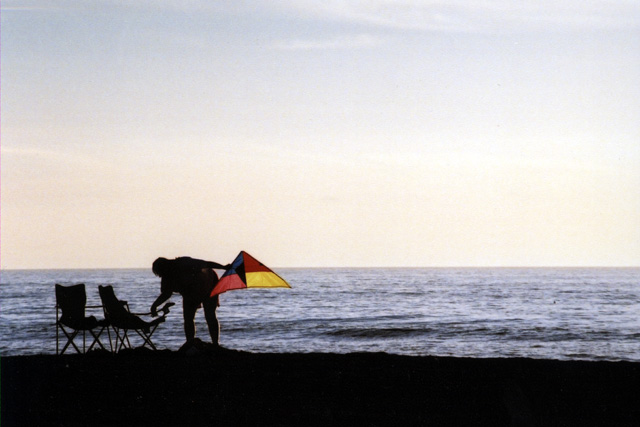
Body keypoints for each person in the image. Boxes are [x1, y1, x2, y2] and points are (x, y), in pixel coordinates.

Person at [151, 256, 230, 347]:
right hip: (190, 293)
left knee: (210, 315)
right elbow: (166, 294)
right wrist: (154, 306)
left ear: (166, 267)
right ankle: (190, 343)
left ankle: (215, 344)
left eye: (161, 273)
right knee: (188, 318)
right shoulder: (166, 277)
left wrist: (223, 267)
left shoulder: (184, 263)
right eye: (160, 274)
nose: (162, 276)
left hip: (209, 282)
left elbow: (206, 264)